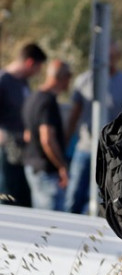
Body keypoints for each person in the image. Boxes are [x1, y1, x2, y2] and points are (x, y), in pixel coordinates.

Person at [64, 41, 122, 214]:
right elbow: (74, 114)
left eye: (112, 57)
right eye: (106, 56)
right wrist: (65, 142)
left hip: (109, 153)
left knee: (102, 198)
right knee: (73, 197)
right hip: (85, 148)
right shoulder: (85, 80)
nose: (109, 60)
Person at [0, 42, 47, 207]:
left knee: (22, 199)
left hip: (22, 150)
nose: (37, 73)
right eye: (38, 67)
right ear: (29, 63)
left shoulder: (23, 83)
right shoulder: (3, 81)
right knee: (8, 196)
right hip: (6, 150)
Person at [21, 59, 72, 211]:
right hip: (46, 172)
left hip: (32, 166)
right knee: (51, 226)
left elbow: (27, 135)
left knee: (40, 219)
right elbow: (47, 139)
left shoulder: (32, 97)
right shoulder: (48, 102)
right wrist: (61, 166)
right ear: (63, 78)